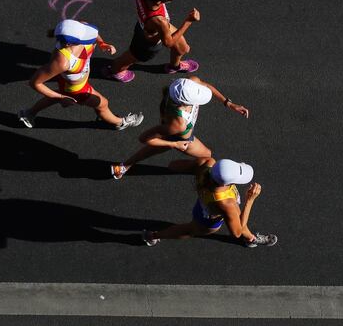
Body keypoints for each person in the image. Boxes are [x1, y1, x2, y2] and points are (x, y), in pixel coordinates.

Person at [111, 76, 249, 179]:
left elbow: (207, 87)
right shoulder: (177, 125)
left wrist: (228, 103)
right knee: (206, 155)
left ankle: (125, 166)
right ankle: (126, 165)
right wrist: (174, 144)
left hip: (174, 128)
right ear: (184, 102)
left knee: (156, 149)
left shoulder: (188, 84)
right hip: (179, 137)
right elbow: (144, 138)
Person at [18, 19, 144, 130]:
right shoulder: (62, 62)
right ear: (69, 44)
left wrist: (102, 43)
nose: (88, 36)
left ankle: (29, 113)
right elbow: (35, 83)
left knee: (58, 94)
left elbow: (94, 33)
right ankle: (120, 123)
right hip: (76, 89)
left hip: (71, 81)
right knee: (102, 104)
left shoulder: (80, 28)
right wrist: (61, 98)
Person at [141, 157, 277, 247]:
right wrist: (250, 200)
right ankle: (153, 235)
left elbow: (174, 165)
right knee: (190, 230)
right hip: (208, 221)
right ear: (229, 182)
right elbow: (236, 233)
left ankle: (250, 239)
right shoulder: (227, 204)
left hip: (203, 205)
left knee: (237, 217)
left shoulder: (208, 164)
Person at [105, 0, 201, 83]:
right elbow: (168, 43)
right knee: (131, 57)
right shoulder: (159, 21)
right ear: (160, 1)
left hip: (152, 26)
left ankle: (174, 66)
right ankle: (114, 71)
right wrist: (188, 21)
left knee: (183, 48)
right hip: (148, 42)